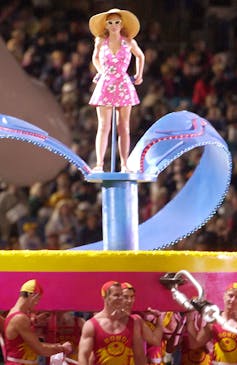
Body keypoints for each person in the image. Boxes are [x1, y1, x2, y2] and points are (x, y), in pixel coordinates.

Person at [88, 8, 145, 172]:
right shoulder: (100, 41)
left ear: (122, 24)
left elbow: (140, 56)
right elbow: (95, 57)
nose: (114, 26)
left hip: (123, 84)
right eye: (110, 22)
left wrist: (139, 74)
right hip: (106, 84)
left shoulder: (129, 42)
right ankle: (99, 164)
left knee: (124, 127)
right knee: (103, 126)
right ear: (106, 25)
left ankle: (124, 164)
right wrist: (100, 71)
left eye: (117, 22)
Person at [4, 279, 72, 365]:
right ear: (31, 295)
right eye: (37, 299)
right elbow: (40, 349)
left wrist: (35, 321)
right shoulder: (20, 318)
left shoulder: (15, 313)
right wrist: (62, 348)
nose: (37, 303)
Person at [78, 280, 146, 365]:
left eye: (122, 295)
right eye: (116, 295)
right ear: (105, 297)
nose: (120, 298)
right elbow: (83, 355)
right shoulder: (92, 325)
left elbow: (139, 355)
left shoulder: (132, 322)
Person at [186, 282, 237, 364]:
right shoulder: (213, 320)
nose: (233, 300)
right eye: (230, 296)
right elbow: (194, 344)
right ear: (224, 296)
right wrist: (189, 317)